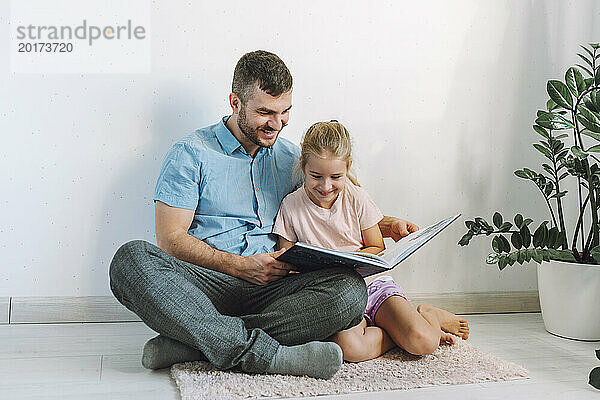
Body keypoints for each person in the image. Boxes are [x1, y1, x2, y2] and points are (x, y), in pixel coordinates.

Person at [109, 50, 418, 379]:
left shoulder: (294, 158)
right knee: (130, 260)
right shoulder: (190, 154)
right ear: (235, 102)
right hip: (207, 285)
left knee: (349, 292)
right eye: (265, 112)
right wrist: (239, 266)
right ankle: (265, 356)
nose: (277, 123)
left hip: (275, 288)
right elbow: (170, 239)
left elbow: (339, 198)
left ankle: (195, 344)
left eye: (285, 112)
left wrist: (386, 225)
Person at [273, 121, 470, 362]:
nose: (325, 186)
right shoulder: (291, 206)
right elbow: (285, 259)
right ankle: (395, 332)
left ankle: (429, 315)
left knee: (423, 342)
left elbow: (377, 246)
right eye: (316, 176)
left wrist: (351, 261)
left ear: (348, 168)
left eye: (336, 177)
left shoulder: (356, 197)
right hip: (335, 298)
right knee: (351, 349)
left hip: (373, 286)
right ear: (303, 164)